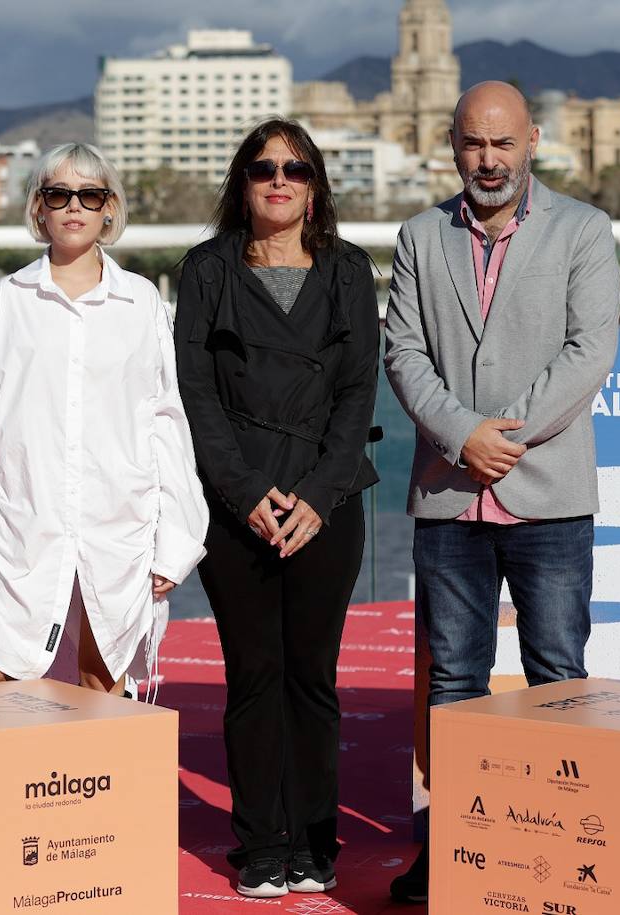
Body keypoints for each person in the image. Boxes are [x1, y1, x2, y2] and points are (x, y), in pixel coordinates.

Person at [383, 81, 620, 903]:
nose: (488, 160)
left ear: (534, 141)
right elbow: (404, 355)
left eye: (504, 144)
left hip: (548, 495)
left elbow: (590, 352)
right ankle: (451, 849)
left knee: (558, 676)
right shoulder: (418, 237)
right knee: (453, 682)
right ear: (452, 145)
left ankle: (567, 855)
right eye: (473, 144)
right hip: (449, 498)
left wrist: (500, 435)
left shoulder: (585, 231)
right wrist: (461, 434)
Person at [0, 142, 208, 695]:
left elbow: (165, 422)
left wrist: (176, 539)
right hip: (23, 527)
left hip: (121, 525)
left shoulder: (141, 303)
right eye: (58, 194)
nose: (74, 206)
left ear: (109, 209)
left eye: (90, 194)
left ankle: (101, 783)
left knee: (105, 683)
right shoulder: (5, 303)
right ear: (39, 209)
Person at [174, 118, 380, 899]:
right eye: (263, 168)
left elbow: (359, 391)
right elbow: (194, 394)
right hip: (237, 508)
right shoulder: (207, 270)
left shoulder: (348, 271)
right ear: (243, 181)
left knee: (311, 678)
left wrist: (319, 497)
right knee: (254, 676)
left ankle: (314, 843)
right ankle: (261, 844)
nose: (279, 180)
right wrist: (247, 493)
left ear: (316, 184)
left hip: (327, 504)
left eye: (295, 168)